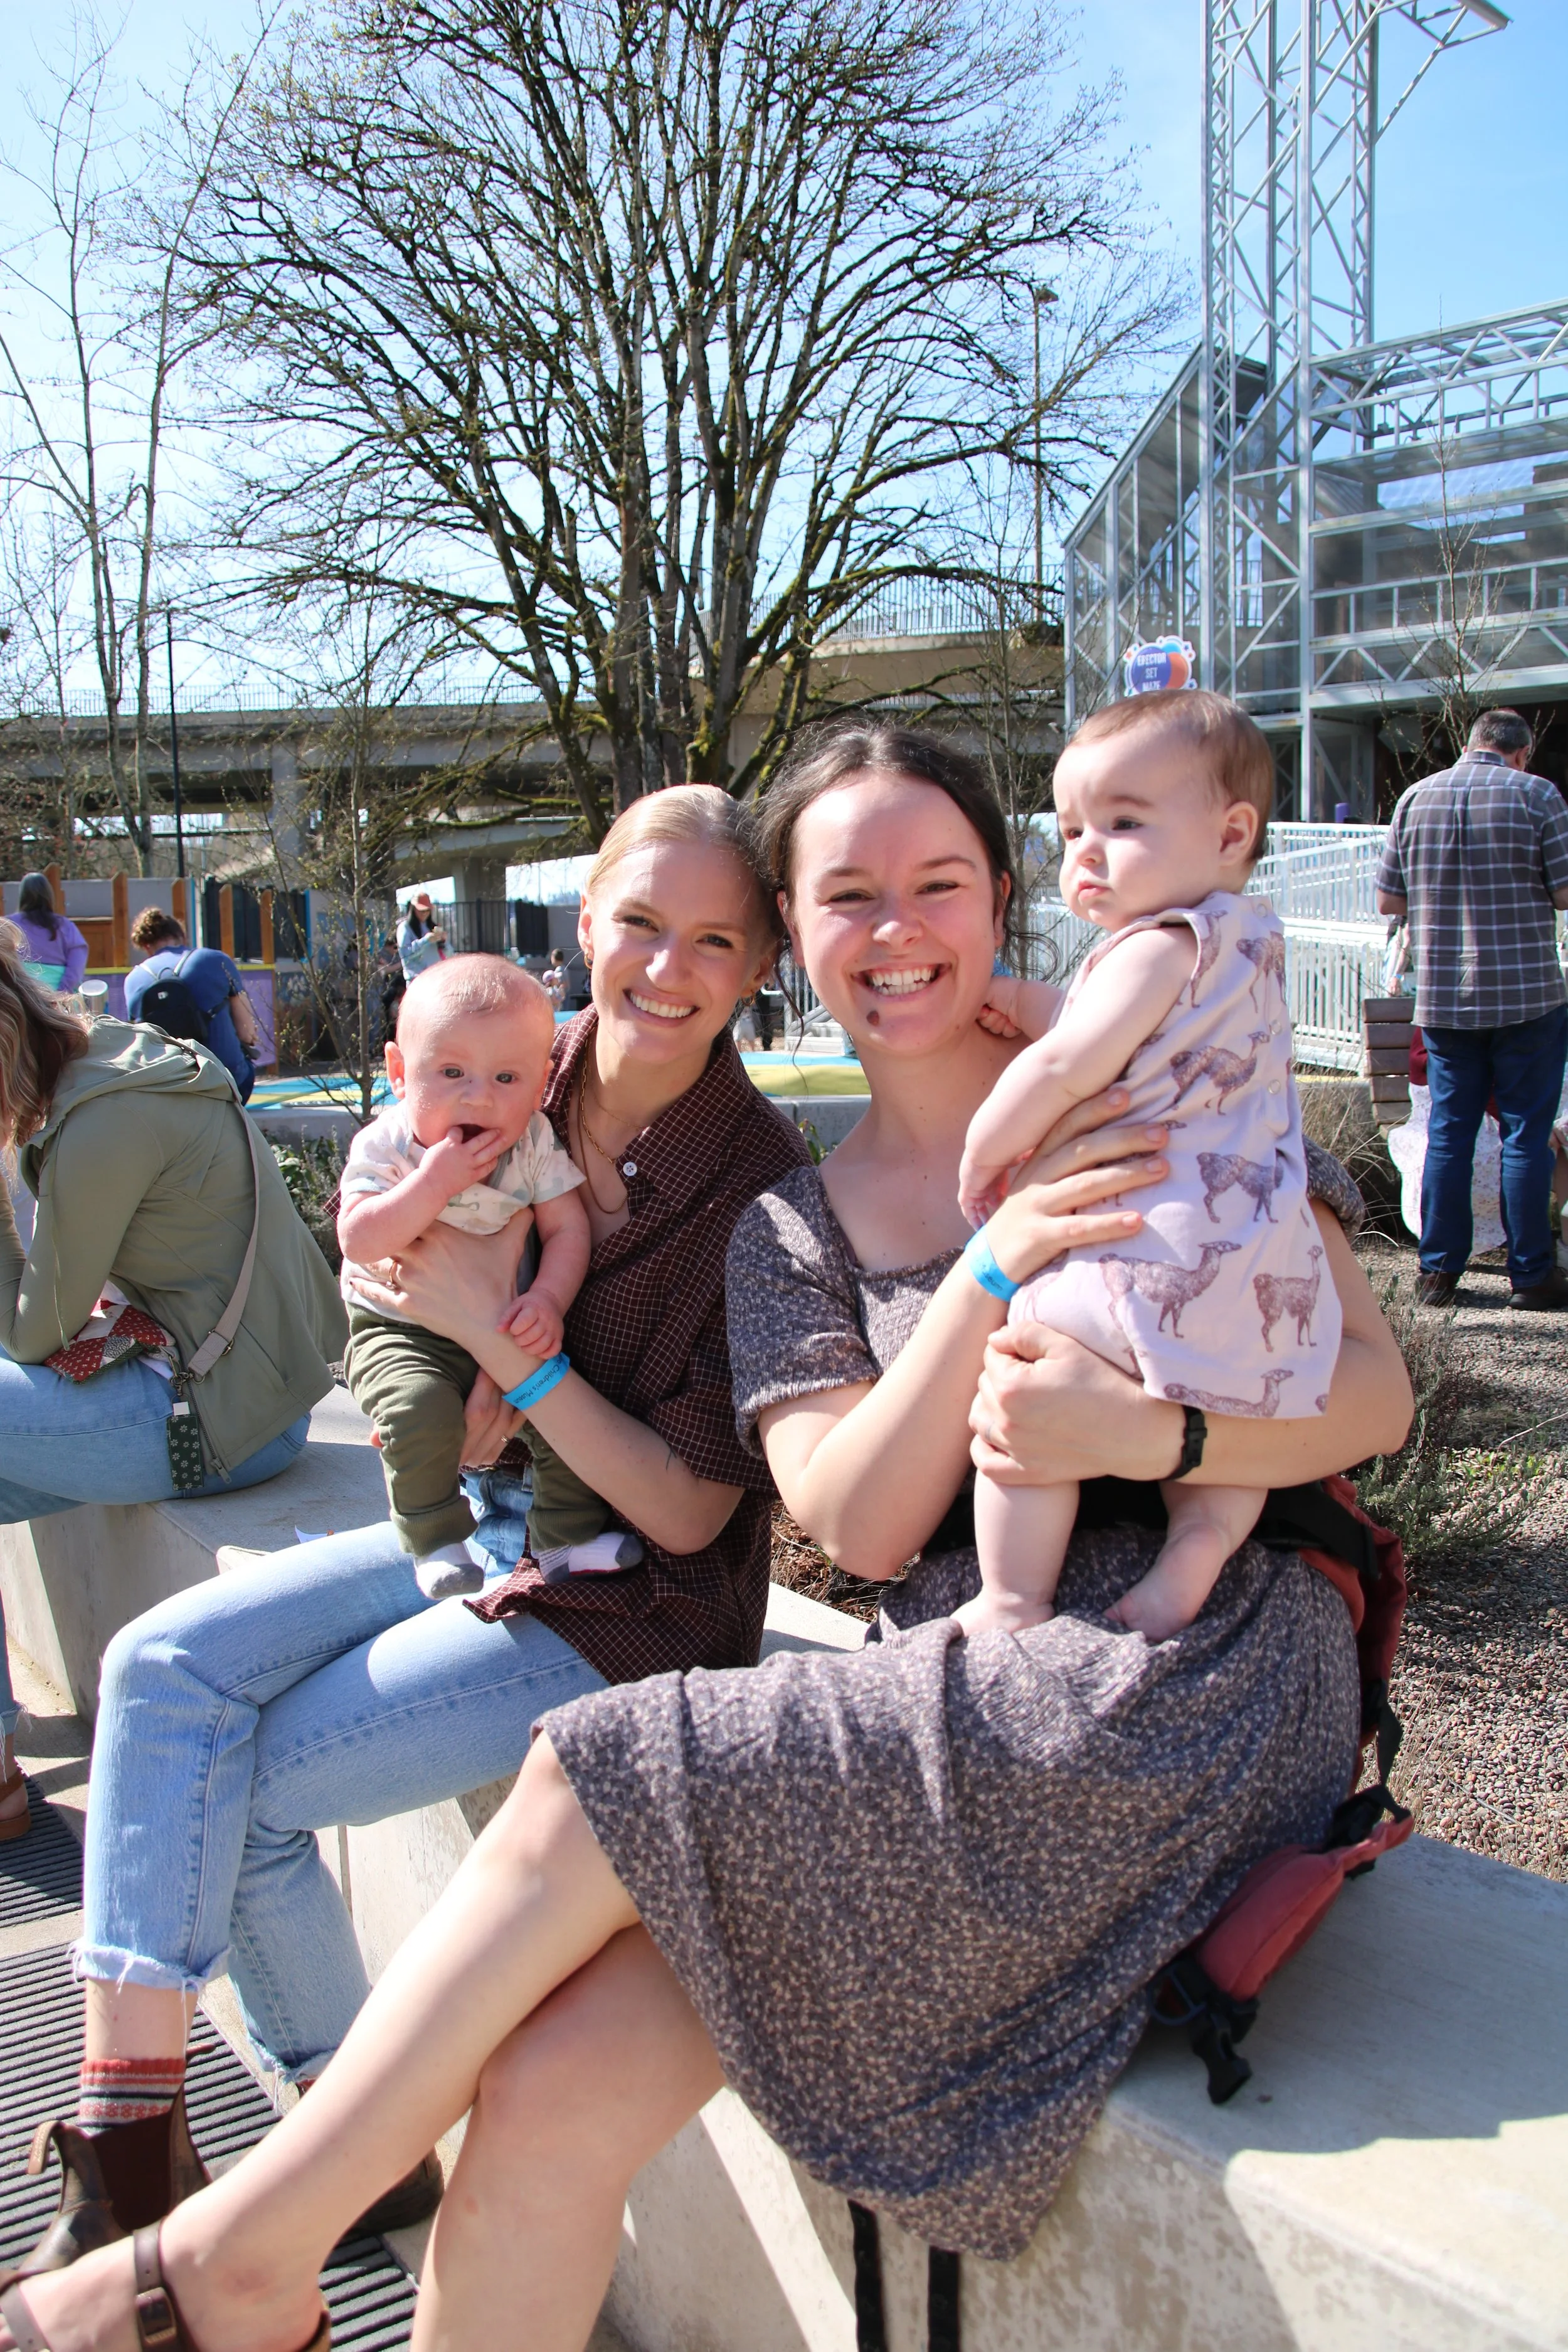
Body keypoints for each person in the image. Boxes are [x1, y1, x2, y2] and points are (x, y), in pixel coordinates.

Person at [0, 729, 1415, 2352]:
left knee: (592, 1759)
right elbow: (866, 1524)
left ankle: (230, 2261)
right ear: (800, 944)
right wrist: (996, 1264)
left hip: (1195, 1664)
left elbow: (1364, 1392)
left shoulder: (1157, 1092)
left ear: (1002, 896)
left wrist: (1149, 1438)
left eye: (934, 884)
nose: (892, 929)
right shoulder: (791, 1225)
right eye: (846, 895)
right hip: (941, 1690)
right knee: (537, 2095)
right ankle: (240, 2257)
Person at [0, 785, 810, 2286]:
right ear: (586, 919)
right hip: (474, 1508)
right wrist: (422, 1360)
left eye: (716, 938)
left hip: (628, 1600)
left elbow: (693, 1506)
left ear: (761, 962)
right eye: (639, 919)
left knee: (234, 1784)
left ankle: (327, 2150)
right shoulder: (504, 1044)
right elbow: (374, 1231)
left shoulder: (759, 1179)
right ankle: (135, 2147)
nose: (668, 965)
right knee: (162, 1665)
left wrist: (519, 1363)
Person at [956, 691, 1338, 1643]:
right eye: (1074, 825)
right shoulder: (1246, 943)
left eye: (1123, 822)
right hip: (1250, 1264)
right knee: (1231, 1413)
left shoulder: (1155, 944)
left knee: (1025, 1419)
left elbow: (1068, 1060)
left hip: (1137, 1250)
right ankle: (1201, 1541)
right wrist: (1029, 998)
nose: (1085, 848)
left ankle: (1011, 1597)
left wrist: (987, 1148)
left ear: (1231, 831)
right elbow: (1137, 1037)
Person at [0, 931, 346, 1860]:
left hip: (220, 1419)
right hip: (245, 1386)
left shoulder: (102, 1121)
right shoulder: (115, 1061)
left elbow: (30, 1331)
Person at [339, 958, 619, 1600]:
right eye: (452, 1073)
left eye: (506, 1077)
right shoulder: (387, 1147)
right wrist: (432, 1183)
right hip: (400, 1328)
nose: (479, 1097)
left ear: (541, 1083)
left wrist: (548, 1298)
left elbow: (567, 1231)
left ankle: (564, 1541)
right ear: (399, 1072)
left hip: (500, 1321)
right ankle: (434, 1535)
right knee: (416, 1410)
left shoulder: (532, 1144)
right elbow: (358, 1239)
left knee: (565, 1414)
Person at [1376, 707, 1568, 1310]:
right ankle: (1531, 1276)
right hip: (1527, 996)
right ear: (1522, 752)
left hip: (1444, 1000)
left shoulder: (1414, 798)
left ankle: (1437, 1274)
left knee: (1449, 1133)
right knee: (1524, 1134)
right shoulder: (1539, 796)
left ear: (1471, 744)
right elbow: (1565, 893)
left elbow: (1388, 901)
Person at [123, 909, 262, 1106]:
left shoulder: (133, 980)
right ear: (182, 937)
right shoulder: (214, 959)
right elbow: (246, 1033)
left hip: (168, 1090)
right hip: (226, 1085)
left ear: (146, 947)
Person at [9, 874, 88, 996]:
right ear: (49, 895)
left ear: (22, 896)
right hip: (58, 1003)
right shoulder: (66, 927)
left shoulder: (7, 926)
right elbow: (76, 967)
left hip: (19, 1001)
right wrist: (61, 994)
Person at [396, 893, 447, 981]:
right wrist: (426, 941)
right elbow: (406, 954)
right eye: (421, 910)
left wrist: (443, 942)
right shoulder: (405, 927)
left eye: (427, 910)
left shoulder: (433, 927)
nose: (425, 913)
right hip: (417, 980)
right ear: (413, 909)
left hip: (436, 978)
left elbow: (448, 954)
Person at [541, 946, 569, 1012]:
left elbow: (563, 983)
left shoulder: (559, 970)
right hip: (561, 997)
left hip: (560, 996)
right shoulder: (565, 968)